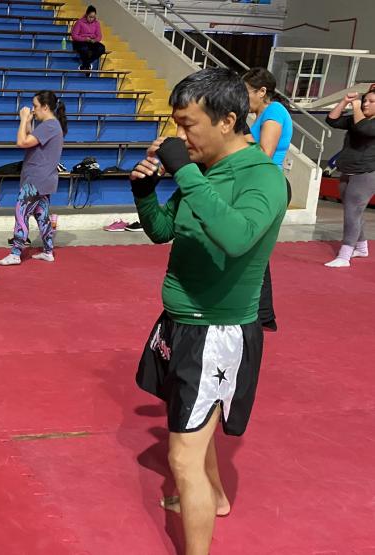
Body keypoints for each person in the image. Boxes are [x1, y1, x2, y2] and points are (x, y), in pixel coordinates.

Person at [130, 68, 286, 555]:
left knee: (182, 457)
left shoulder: (263, 177)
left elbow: (237, 237)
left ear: (227, 121)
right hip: (180, 322)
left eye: (188, 124)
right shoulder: (205, 169)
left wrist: (185, 172)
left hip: (218, 331)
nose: (179, 135)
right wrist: (144, 194)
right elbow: (163, 231)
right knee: (193, 426)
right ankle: (214, 497)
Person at [243, 67, 294, 331]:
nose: (244, 98)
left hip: (268, 186)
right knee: (253, 250)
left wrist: (239, 138)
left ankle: (262, 315)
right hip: (259, 184)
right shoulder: (261, 114)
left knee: (254, 250)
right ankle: (263, 315)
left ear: (262, 91)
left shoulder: (274, 111)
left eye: (247, 92)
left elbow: (265, 152)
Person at [0, 90, 66, 265]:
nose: (33, 109)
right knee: (42, 215)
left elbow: (22, 142)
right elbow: (31, 139)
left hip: (36, 180)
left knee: (21, 213)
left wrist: (22, 119)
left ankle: (15, 253)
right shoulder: (51, 126)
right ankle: (48, 251)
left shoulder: (49, 125)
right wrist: (27, 122)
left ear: (45, 107)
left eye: (35, 106)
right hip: (43, 179)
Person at [323, 89, 375, 267]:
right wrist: (344, 101)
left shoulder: (367, 123)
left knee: (352, 212)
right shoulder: (357, 119)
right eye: (365, 100)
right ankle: (361, 247)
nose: (365, 103)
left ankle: (344, 256)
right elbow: (332, 120)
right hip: (347, 170)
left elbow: (364, 128)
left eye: (371, 101)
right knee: (354, 211)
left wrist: (357, 107)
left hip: (366, 173)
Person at [70, 5, 106, 72]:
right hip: (80, 41)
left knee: (101, 48)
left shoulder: (97, 23)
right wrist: (85, 39)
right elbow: (74, 36)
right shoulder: (79, 22)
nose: (91, 19)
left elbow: (99, 36)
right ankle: (87, 66)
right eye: (90, 17)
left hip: (91, 41)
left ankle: (85, 64)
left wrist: (95, 40)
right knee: (84, 49)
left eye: (93, 17)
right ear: (86, 15)